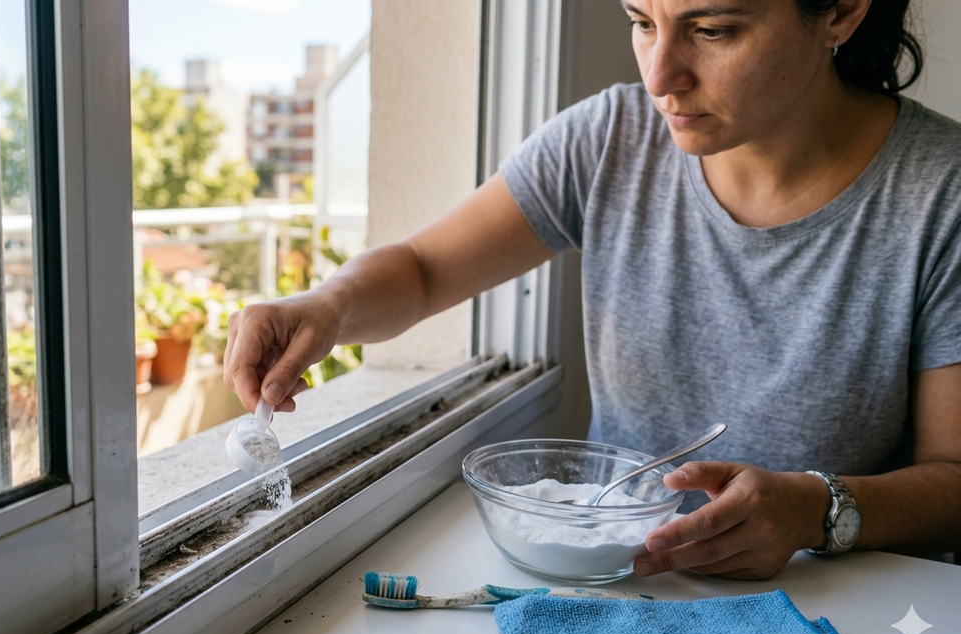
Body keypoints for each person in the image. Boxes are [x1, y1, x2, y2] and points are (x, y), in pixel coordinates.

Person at [223, 0, 961, 580]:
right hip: (619, 592)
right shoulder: (609, 140)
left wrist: (816, 509)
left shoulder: (941, 196)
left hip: (850, 608)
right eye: (642, 22)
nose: (659, 75)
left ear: (840, 11)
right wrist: (327, 304)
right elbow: (423, 268)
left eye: (711, 30)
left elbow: (953, 482)